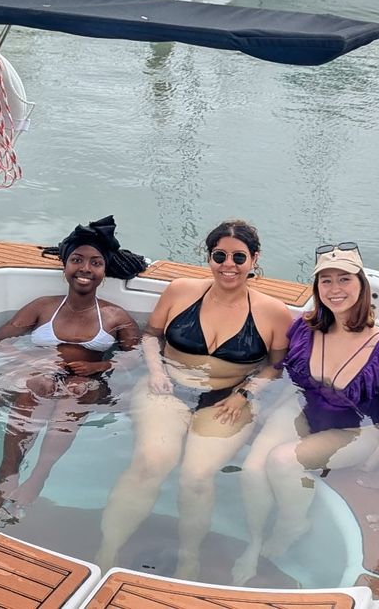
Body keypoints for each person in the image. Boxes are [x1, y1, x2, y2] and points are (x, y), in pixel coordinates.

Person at [96, 220, 293, 581]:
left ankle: (189, 555)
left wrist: (246, 393)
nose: (228, 265)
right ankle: (108, 547)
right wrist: (155, 372)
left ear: (254, 259)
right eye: (220, 255)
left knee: (197, 477)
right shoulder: (180, 290)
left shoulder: (273, 312)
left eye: (238, 256)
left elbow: (276, 367)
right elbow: (151, 335)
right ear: (210, 257)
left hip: (228, 398)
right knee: (150, 462)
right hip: (168, 386)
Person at [232, 242, 379, 585]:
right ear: (317, 288)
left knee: (283, 461)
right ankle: (254, 542)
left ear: (361, 285)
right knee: (251, 470)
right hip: (305, 406)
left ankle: (293, 524)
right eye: (326, 281)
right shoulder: (305, 329)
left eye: (345, 279)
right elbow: (293, 379)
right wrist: (264, 405)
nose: (335, 290)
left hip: (357, 427)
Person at [0, 225, 140, 523]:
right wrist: (32, 359)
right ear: (65, 265)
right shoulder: (43, 307)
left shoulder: (115, 316)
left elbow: (136, 355)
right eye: (77, 260)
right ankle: (7, 471)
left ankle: (39, 475)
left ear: (105, 270)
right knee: (38, 383)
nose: (85, 269)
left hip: (88, 381)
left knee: (76, 390)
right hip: (41, 374)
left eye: (95, 263)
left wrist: (101, 366)